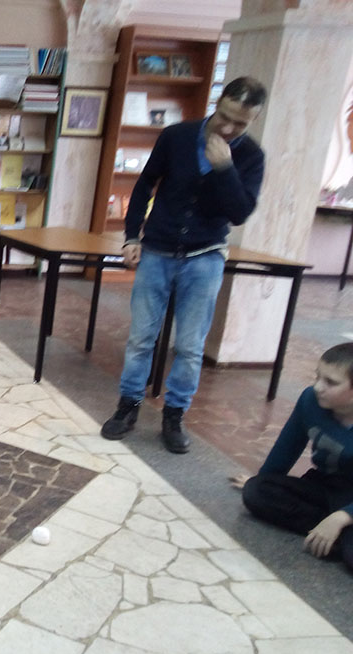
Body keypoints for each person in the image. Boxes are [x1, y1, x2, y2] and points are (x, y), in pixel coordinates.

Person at [101, 77, 268, 454]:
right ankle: (128, 407)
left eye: (240, 124)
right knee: (141, 337)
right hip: (158, 249)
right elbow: (144, 185)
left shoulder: (251, 156)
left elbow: (239, 212)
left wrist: (225, 168)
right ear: (218, 103)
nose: (229, 129)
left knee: (191, 346)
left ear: (254, 120)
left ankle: (174, 416)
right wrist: (131, 237)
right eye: (225, 117)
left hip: (205, 255)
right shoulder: (177, 136)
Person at [232, 343, 353, 570]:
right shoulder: (310, 400)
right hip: (324, 486)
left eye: (331, 382)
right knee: (256, 491)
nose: (318, 387)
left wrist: (343, 516)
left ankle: (335, 531)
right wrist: (263, 479)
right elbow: (288, 445)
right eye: (318, 377)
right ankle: (331, 534)